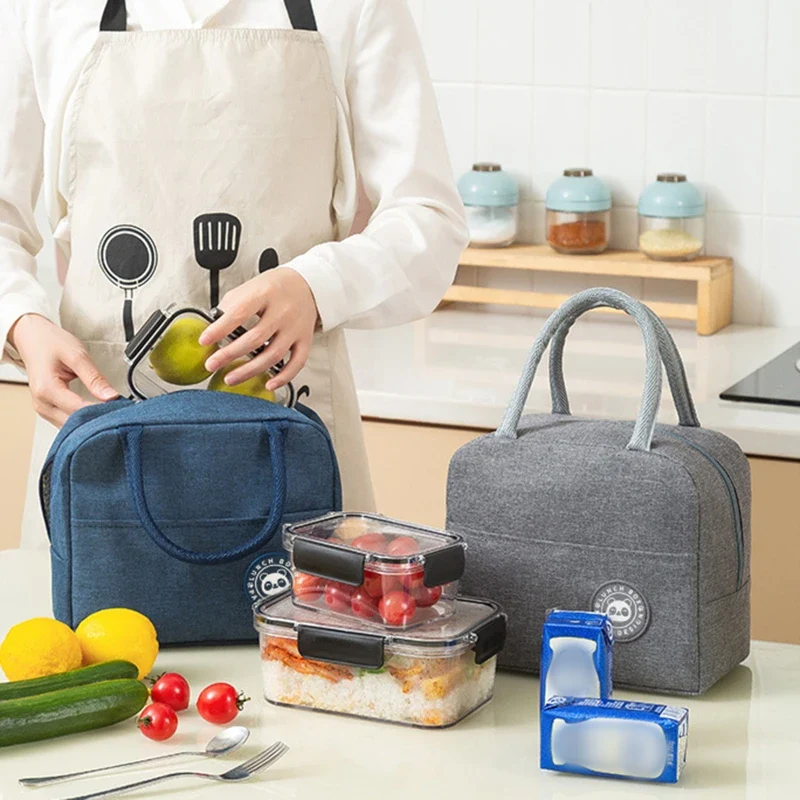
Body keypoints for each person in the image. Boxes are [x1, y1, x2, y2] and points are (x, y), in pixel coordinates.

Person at [0, 0, 468, 546]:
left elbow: (429, 219)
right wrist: (20, 321)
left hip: (292, 443)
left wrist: (316, 285)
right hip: (99, 440)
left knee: (302, 601)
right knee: (92, 603)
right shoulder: (44, 9)